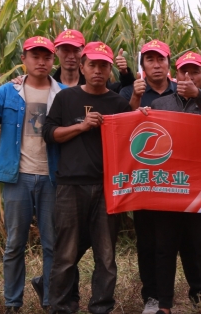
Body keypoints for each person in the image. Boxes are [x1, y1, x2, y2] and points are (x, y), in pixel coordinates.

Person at [0, 36, 65, 312]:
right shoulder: (8, 92)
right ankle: (13, 302)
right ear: (23, 59)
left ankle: (50, 301)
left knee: (52, 245)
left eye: (47, 56)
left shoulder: (61, 94)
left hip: (51, 177)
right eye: (35, 56)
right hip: (17, 177)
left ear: (52, 60)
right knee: (15, 245)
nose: (41, 61)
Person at [43, 42, 132, 314]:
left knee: (106, 257)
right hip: (70, 185)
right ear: (82, 67)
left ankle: (101, 307)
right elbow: (50, 134)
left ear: (109, 71)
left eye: (104, 65)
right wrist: (82, 126)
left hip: (107, 187)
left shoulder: (118, 103)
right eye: (92, 65)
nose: (98, 70)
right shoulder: (66, 98)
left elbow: (130, 142)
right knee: (65, 254)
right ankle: (59, 307)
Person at [140, 51, 201, 314]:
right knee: (164, 248)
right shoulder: (161, 104)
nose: (189, 77)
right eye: (183, 72)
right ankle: (165, 305)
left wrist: (198, 95)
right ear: (175, 75)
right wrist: (141, 115)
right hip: (170, 187)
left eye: (195, 72)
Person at [119, 40, 201, 314]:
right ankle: (152, 296)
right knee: (149, 242)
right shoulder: (131, 92)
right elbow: (117, 130)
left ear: (169, 64)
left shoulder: (184, 90)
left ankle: (198, 294)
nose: (156, 64)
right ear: (142, 65)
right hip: (147, 182)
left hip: (183, 180)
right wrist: (133, 103)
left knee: (190, 241)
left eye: (161, 59)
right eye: (150, 60)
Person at [51, 29, 134, 92]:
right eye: (66, 50)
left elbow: (125, 91)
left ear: (83, 51)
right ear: (56, 51)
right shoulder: (50, 84)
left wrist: (125, 73)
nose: (71, 56)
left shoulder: (95, 80)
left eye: (76, 50)